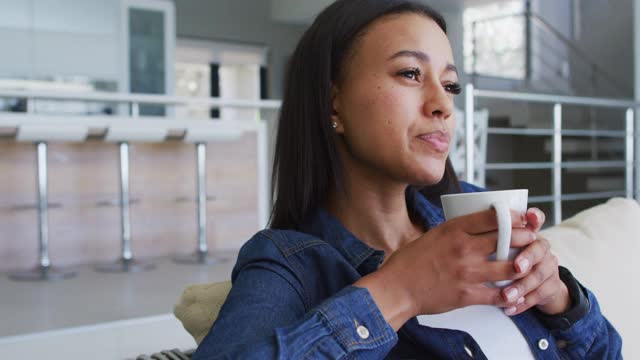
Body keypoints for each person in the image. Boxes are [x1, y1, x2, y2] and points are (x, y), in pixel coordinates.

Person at [192, 0, 622, 358]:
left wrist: (562, 301)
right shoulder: (290, 263)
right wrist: (401, 290)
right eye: (411, 74)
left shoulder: (474, 212)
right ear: (332, 101)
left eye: (450, 85)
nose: (442, 104)